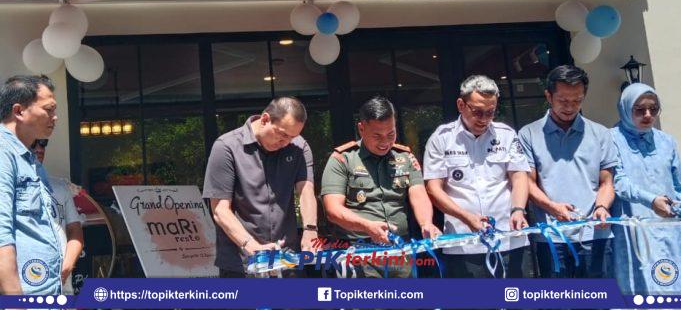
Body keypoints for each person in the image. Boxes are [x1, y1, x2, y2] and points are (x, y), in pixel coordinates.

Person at [321, 96, 441, 278]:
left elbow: (418, 195)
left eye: (391, 134)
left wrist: (426, 223)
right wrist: (367, 226)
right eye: (377, 136)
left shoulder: (405, 158)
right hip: (358, 252)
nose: (385, 142)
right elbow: (332, 209)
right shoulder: (342, 159)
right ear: (361, 129)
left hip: (400, 249)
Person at [423, 75, 530, 278]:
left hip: (508, 237)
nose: (484, 119)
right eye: (477, 112)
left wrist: (518, 210)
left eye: (490, 112)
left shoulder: (506, 135)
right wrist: (466, 217)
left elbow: (519, 177)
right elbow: (433, 189)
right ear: (461, 105)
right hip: (463, 242)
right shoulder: (441, 138)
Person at [518, 65, 616, 278]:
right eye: (563, 100)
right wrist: (552, 207)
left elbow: (607, 182)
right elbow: (527, 183)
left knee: (598, 296)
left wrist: (602, 206)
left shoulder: (601, 133)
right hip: (551, 236)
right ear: (548, 96)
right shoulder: (529, 134)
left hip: (595, 234)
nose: (570, 107)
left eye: (577, 100)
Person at [202, 97, 316, 277]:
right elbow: (220, 209)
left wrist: (310, 230)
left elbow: (306, 190)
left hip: (287, 259)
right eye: (282, 134)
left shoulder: (299, 147)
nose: (286, 142)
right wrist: (251, 246)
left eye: (292, 137)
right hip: (241, 261)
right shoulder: (226, 147)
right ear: (265, 119)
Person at [611, 83, 681, 294]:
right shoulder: (610, 139)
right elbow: (618, 182)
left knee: (672, 287)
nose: (648, 115)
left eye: (654, 109)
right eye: (640, 110)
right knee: (638, 291)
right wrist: (651, 200)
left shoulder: (666, 142)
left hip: (670, 231)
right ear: (626, 109)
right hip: (634, 233)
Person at [0, 75, 62, 294]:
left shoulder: (30, 159)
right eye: (49, 109)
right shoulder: (3, 154)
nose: (55, 117)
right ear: (19, 111)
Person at [31, 138, 84, 294]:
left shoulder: (60, 187)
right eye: (33, 143)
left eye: (43, 143)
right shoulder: (7, 188)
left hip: (61, 285)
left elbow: (75, 231)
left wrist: (67, 267)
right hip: (24, 284)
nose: (39, 148)